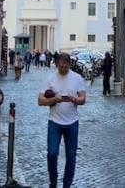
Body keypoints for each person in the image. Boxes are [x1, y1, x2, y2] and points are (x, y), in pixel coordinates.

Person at [38, 52, 86, 188]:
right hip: (54, 122)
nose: (63, 69)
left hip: (72, 122)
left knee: (71, 156)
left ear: (69, 65)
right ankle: (53, 182)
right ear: (57, 64)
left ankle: (66, 185)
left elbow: (83, 99)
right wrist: (55, 99)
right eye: (61, 67)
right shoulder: (50, 78)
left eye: (66, 67)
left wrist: (75, 99)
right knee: (52, 153)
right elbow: (40, 100)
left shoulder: (77, 78)